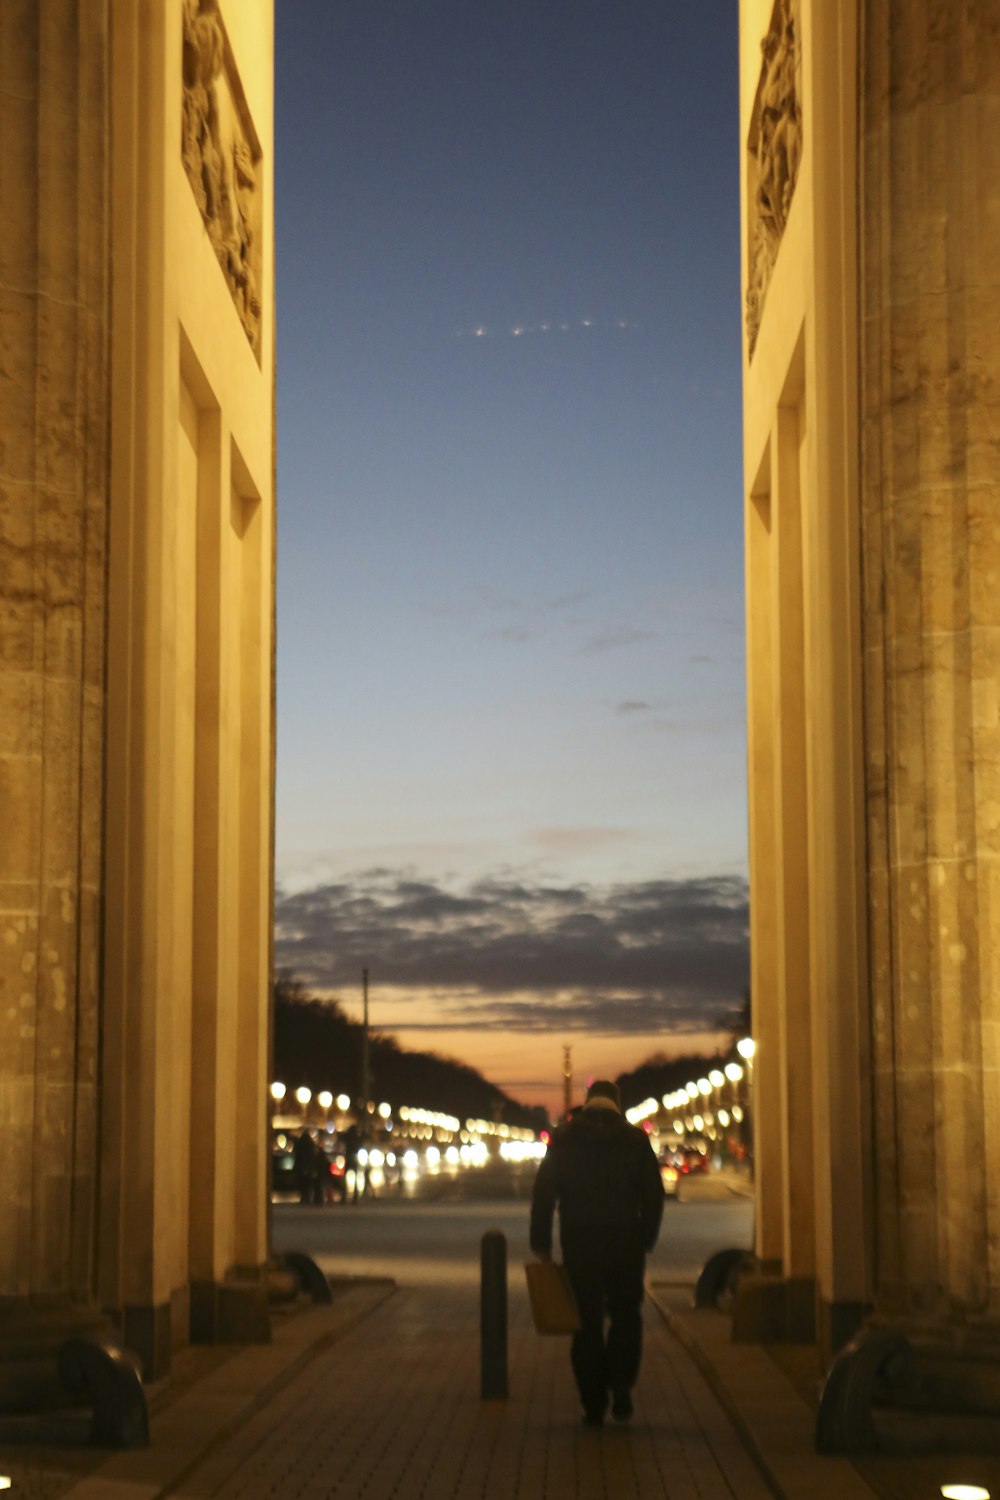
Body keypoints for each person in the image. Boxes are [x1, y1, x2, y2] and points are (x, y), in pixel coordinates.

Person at [530, 1079, 664, 1426]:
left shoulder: (565, 1139)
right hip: (625, 1243)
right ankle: (621, 1387)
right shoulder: (636, 1140)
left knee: (586, 1322)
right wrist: (646, 1238)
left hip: (580, 1241)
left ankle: (592, 1402)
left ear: (587, 1103)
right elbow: (653, 1195)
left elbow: (544, 1193)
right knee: (625, 1316)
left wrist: (541, 1243)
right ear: (617, 1105)